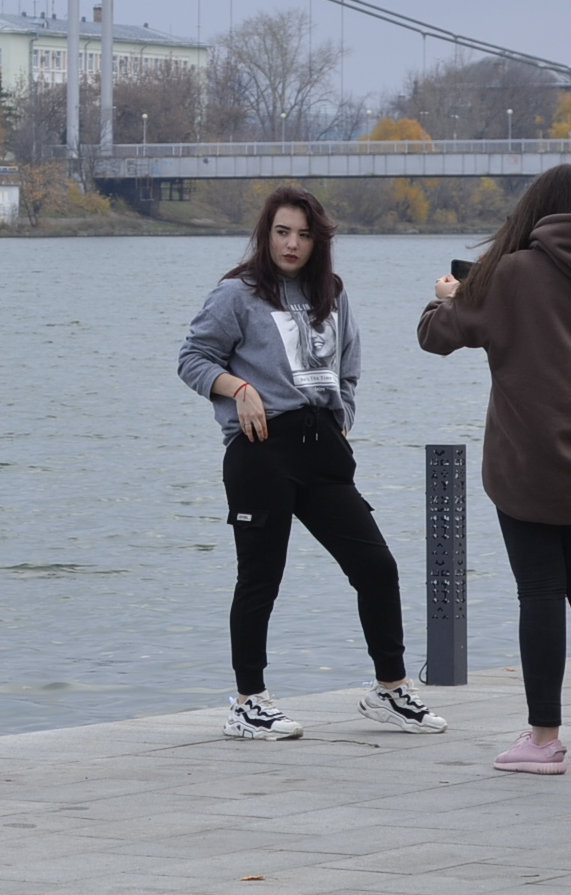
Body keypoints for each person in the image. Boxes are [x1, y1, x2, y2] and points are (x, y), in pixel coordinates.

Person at [178, 185, 448, 741]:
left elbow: (349, 365)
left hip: (323, 450)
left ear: (317, 240)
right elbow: (193, 358)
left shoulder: (333, 292)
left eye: (303, 234)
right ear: (266, 234)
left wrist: (341, 418)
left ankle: (390, 691)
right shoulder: (238, 293)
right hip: (260, 452)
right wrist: (238, 388)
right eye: (282, 232)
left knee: (377, 567)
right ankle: (248, 703)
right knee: (261, 580)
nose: (291, 244)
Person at [416, 164, 571, 778]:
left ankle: (544, 739)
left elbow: (438, 336)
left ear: (538, 211)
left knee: (542, 592)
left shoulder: (515, 272)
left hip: (531, 462)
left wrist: (451, 297)